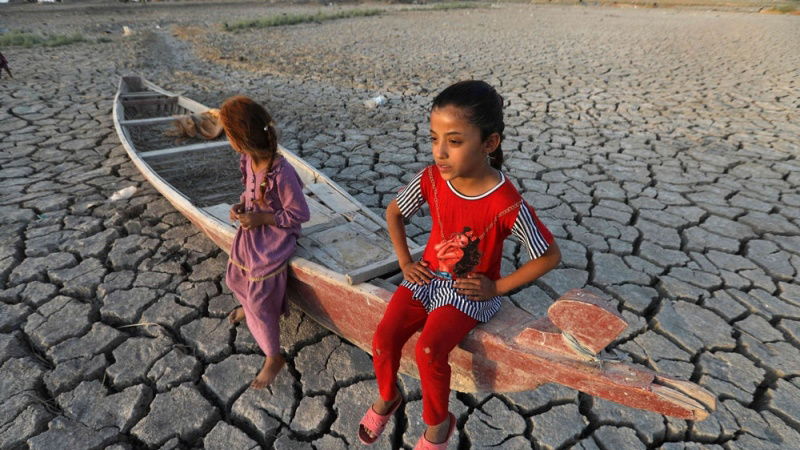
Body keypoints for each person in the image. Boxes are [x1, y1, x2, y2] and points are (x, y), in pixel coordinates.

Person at [358, 80, 561, 448]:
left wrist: (496, 287)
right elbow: (394, 212)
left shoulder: (504, 202)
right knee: (384, 338)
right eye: (434, 139)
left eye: (453, 141)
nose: (440, 152)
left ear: (489, 143)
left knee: (429, 350)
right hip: (425, 276)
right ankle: (388, 396)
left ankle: (438, 426)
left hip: (467, 290)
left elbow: (549, 255)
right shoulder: (432, 179)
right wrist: (406, 261)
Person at [220, 96, 310, 389]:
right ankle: (247, 310)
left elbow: (299, 214)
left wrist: (261, 219)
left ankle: (273, 356)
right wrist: (241, 207)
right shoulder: (248, 160)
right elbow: (250, 195)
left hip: (276, 234)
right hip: (253, 230)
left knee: (260, 298)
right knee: (234, 278)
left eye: (228, 134)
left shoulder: (281, 171)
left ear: (240, 139)